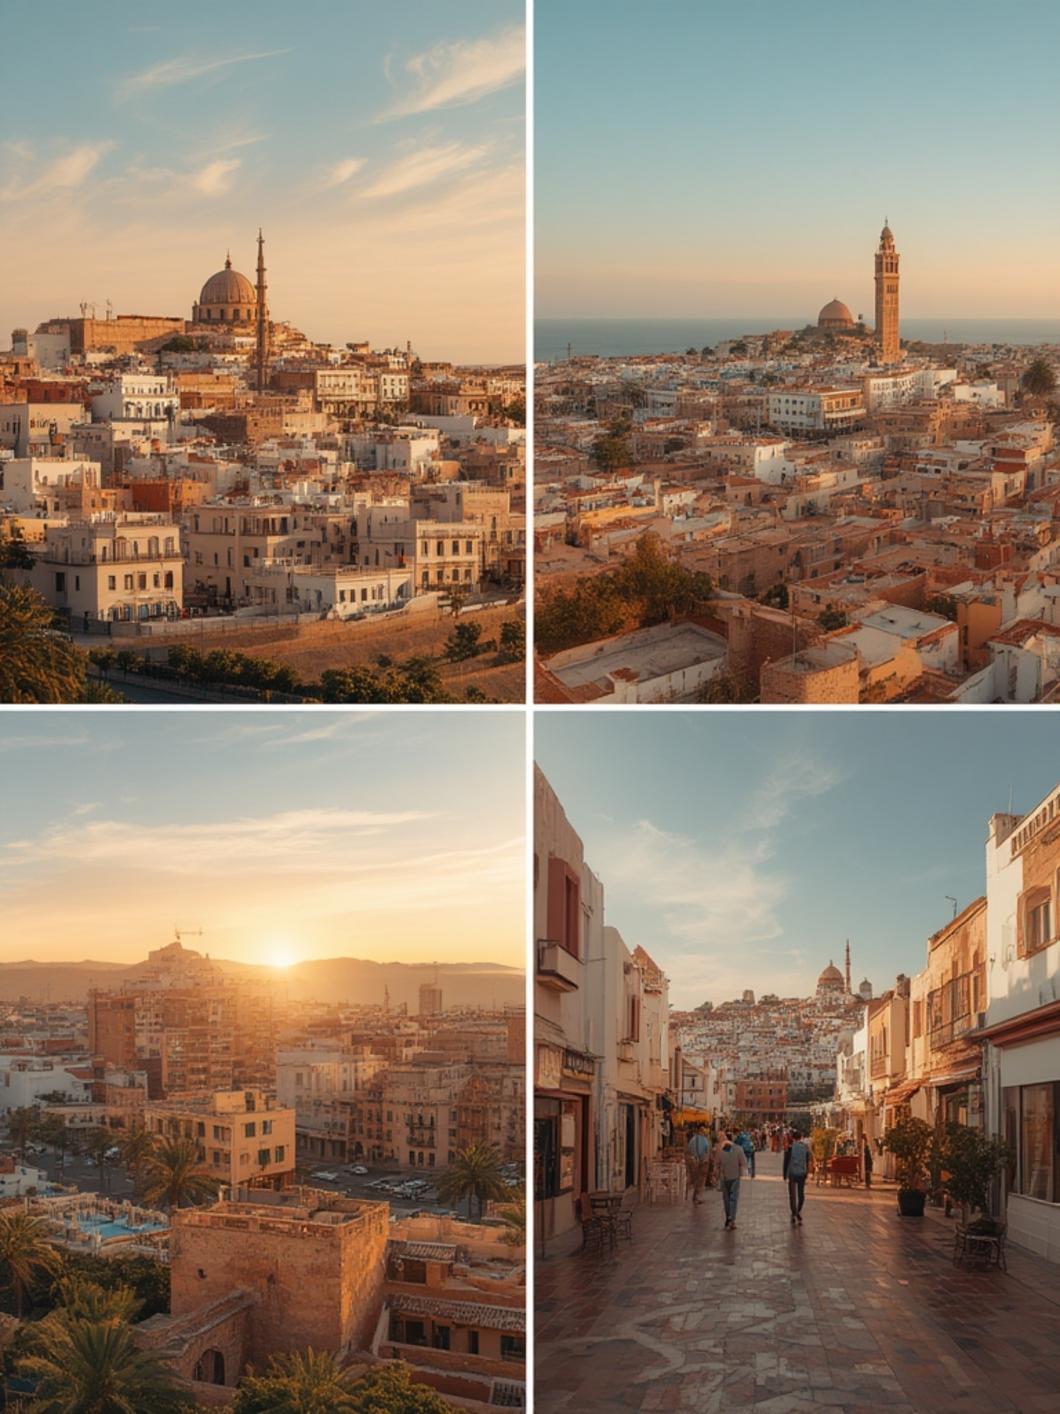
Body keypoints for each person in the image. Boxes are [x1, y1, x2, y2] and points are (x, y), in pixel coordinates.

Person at [715, 1131, 748, 1229]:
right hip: (735, 1177)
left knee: (726, 1199)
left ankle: (728, 1218)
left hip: (724, 1178)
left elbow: (716, 1164)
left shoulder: (720, 1151)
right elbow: (744, 1163)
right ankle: (731, 1220)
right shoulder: (738, 1149)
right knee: (733, 1199)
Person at [784, 1127, 811, 1224]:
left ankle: (794, 1213)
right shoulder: (805, 1147)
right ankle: (797, 1211)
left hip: (792, 1173)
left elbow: (786, 1162)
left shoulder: (790, 1148)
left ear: (793, 1137)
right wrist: (807, 1172)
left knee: (792, 1195)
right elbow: (808, 1161)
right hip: (802, 1173)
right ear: (801, 1137)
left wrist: (784, 1174)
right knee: (801, 1194)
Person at [686, 1125, 711, 1204]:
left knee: (695, 1179)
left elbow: (689, 1149)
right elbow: (707, 1150)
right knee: (701, 1180)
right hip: (702, 1161)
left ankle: (694, 1195)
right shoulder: (705, 1140)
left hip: (693, 1161)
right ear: (702, 1132)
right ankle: (697, 1197)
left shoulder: (692, 1140)